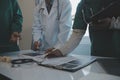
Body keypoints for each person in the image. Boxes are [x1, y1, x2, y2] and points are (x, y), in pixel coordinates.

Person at [45, 0, 120, 58]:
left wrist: (113, 24)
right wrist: (61, 51)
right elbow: (77, 33)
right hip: (98, 55)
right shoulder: (84, 4)